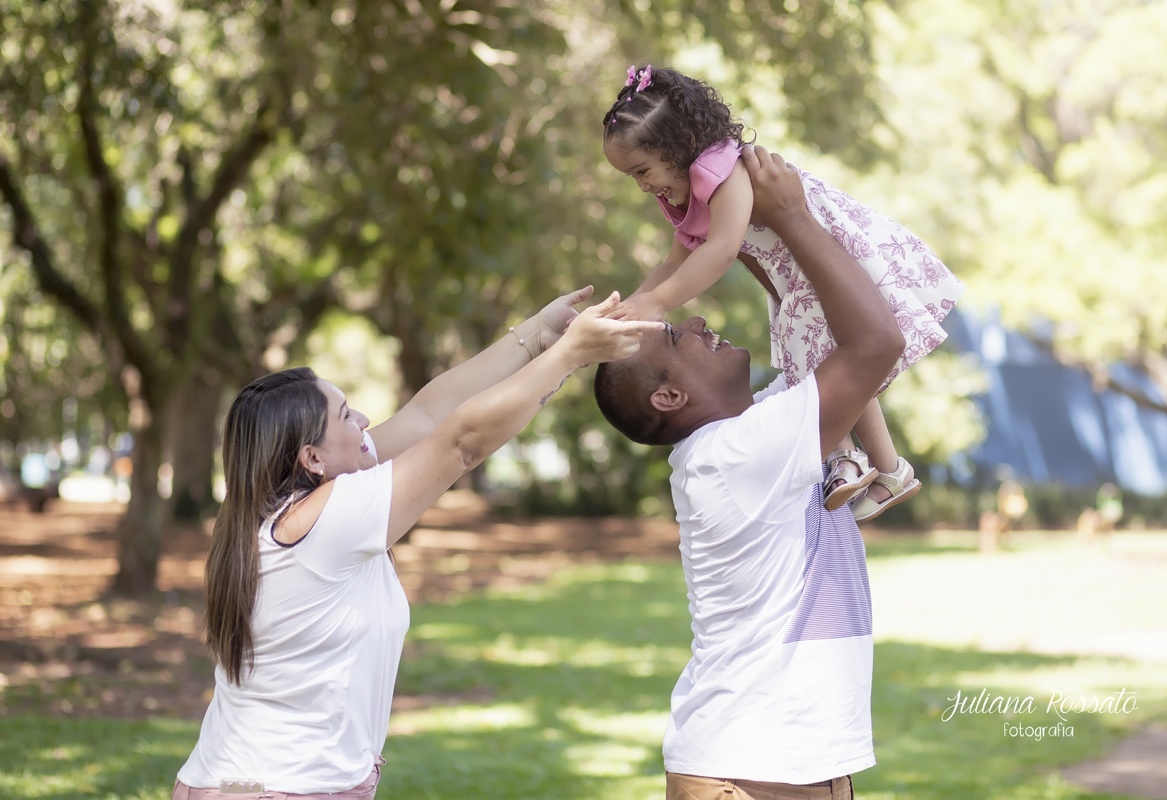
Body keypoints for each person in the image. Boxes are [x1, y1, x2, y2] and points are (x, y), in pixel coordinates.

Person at [173, 287, 661, 799]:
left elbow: (430, 415)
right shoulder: (326, 517)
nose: (363, 421)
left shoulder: (284, 511)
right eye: (345, 415)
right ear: (311, 458)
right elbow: (460, 443)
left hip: (248, 781)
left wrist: (536, 335)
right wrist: (570, 354)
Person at [593, 146, 905, 800]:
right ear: (669, 398)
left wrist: (756, 238)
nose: (700, 321)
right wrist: (791, 216)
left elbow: (813, 324)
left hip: (778, 762)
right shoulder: (739, 455)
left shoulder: (749, 436)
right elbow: (876, 343)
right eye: (679, 338)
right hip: (756, 769)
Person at [601, 64, 964, 521]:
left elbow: (721, 251)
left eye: (642, 170)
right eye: (631, 177)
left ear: (677, 145)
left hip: (820, 260)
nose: (642, 185)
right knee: (818, 357)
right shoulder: (683, 194)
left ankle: (862, 461)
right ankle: (879, 467)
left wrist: (656, 303)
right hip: (794, 280)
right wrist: (630, 306)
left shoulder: (723, 169)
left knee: (815, 355)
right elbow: (674, 262)